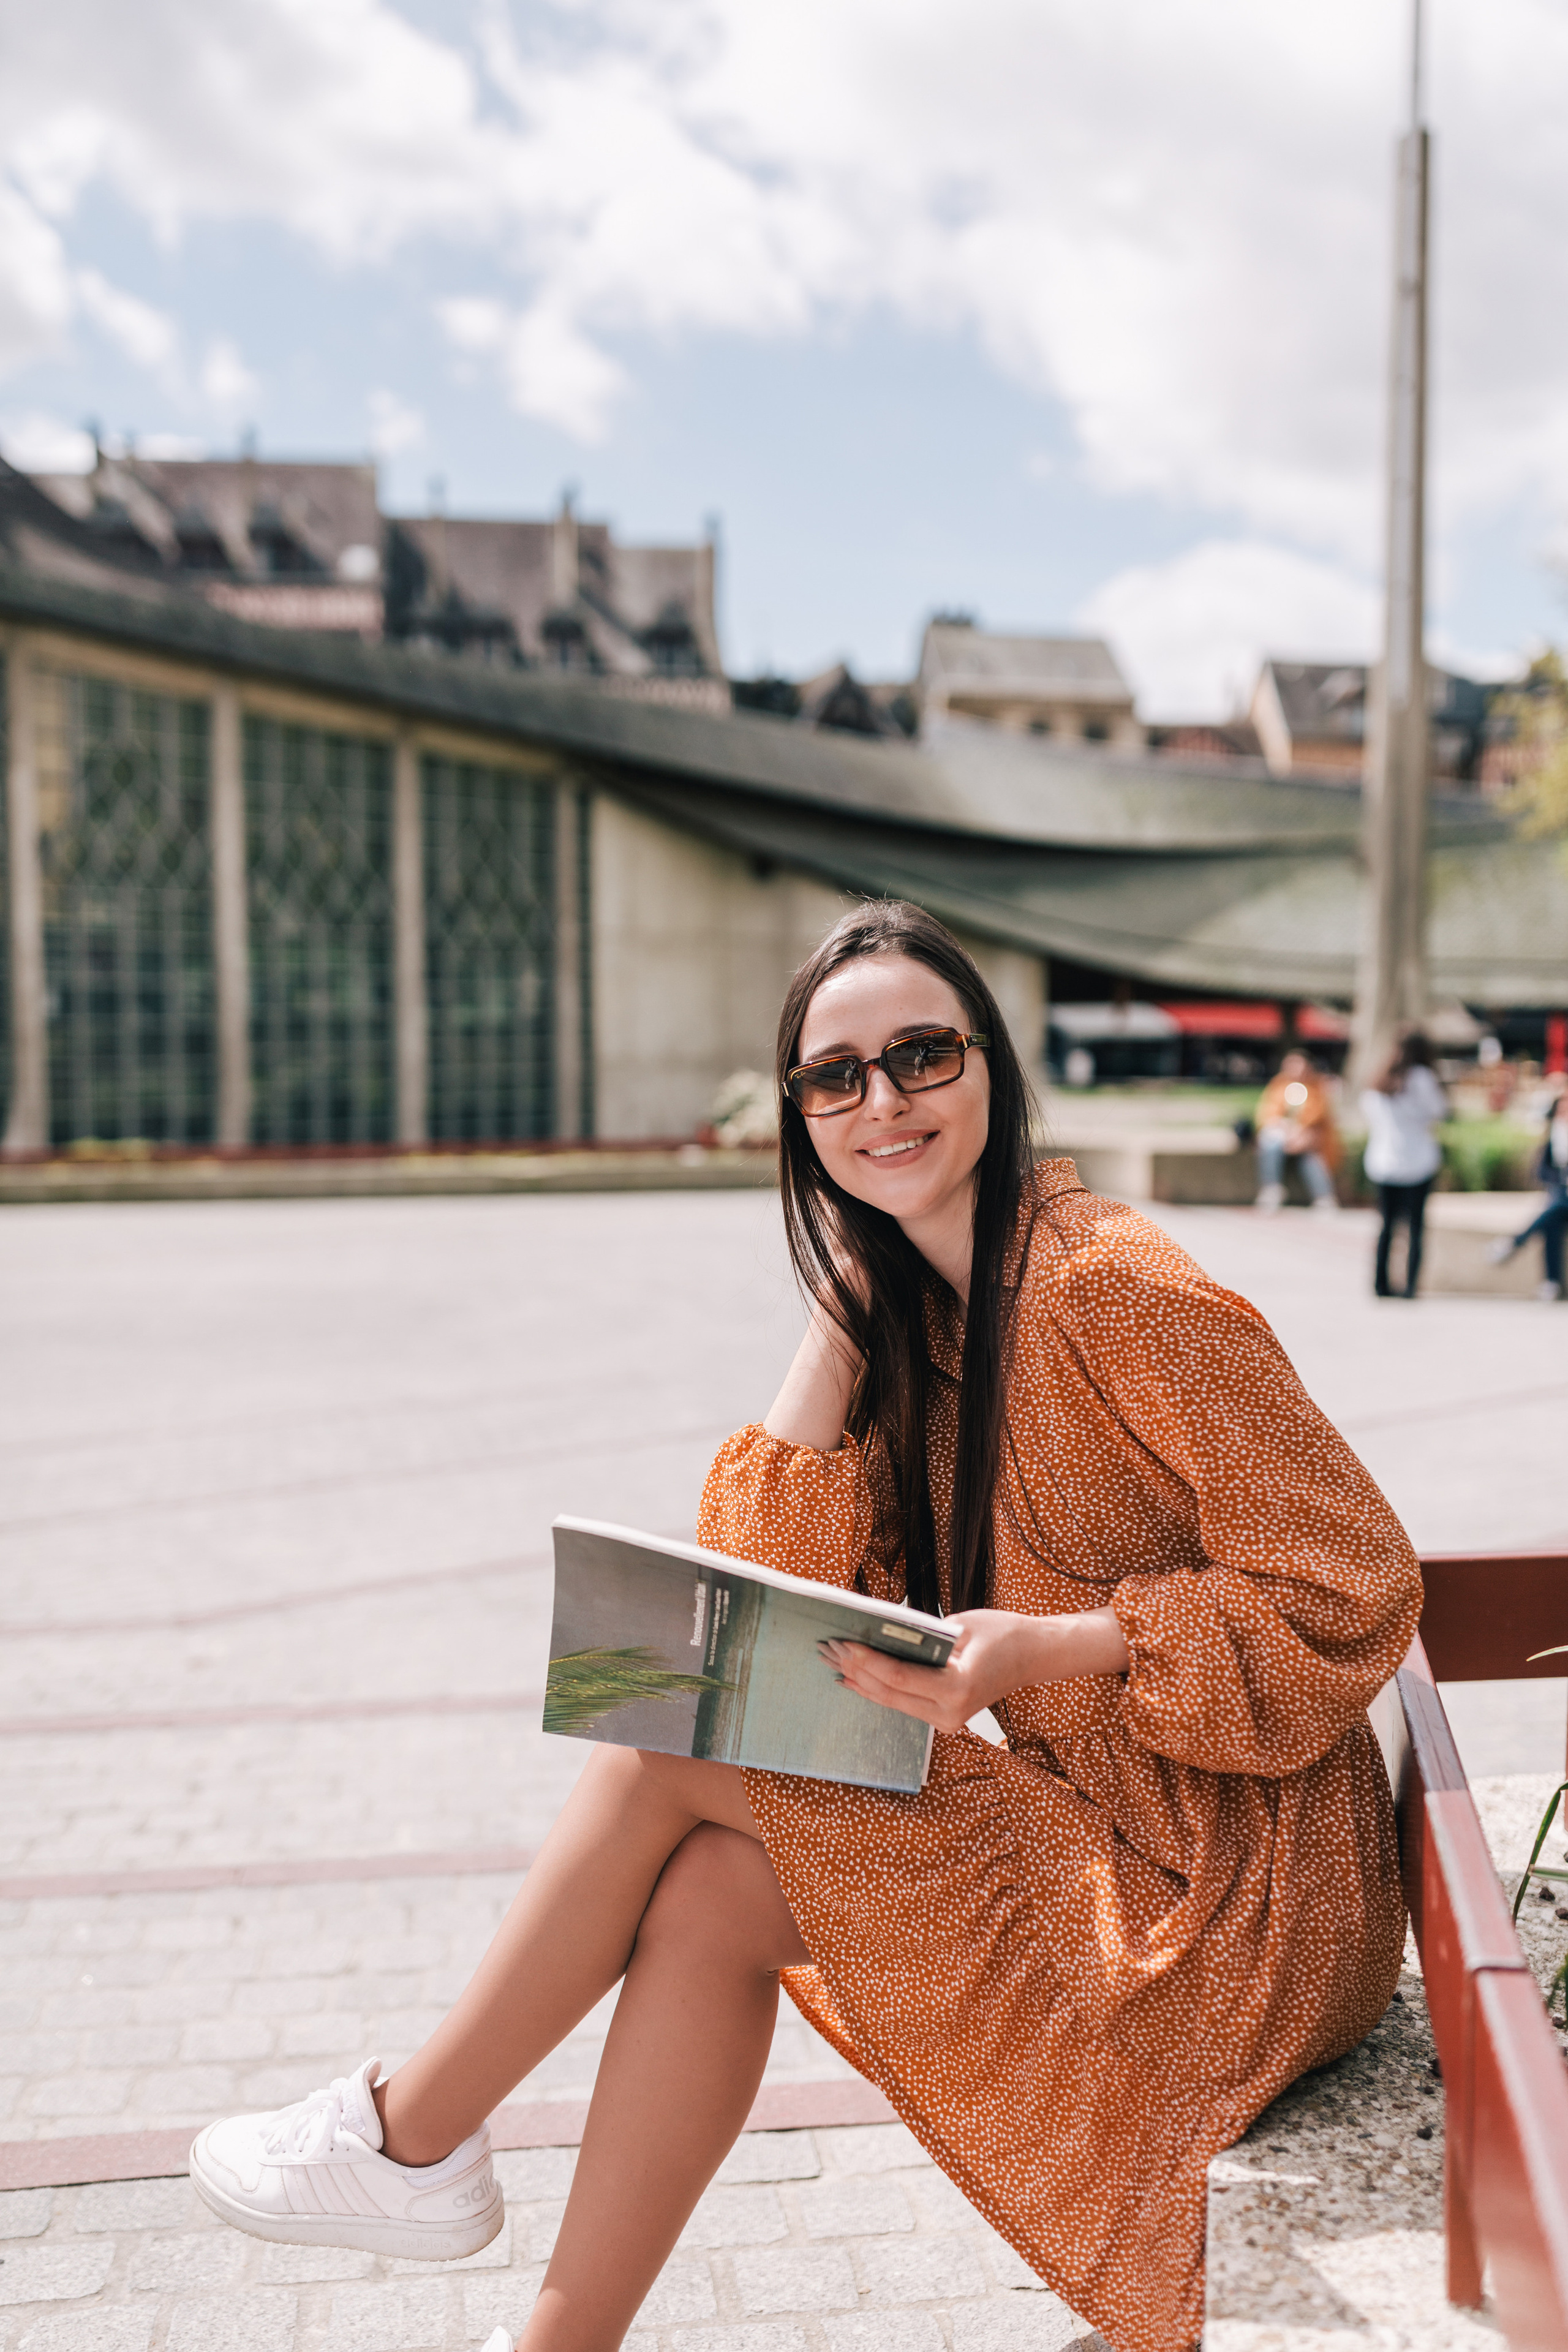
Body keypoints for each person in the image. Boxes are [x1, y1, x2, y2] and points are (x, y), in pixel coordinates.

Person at [187, 902, 1422, 2352]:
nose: (879, 1100)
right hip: (1106, 1832)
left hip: (1236, 1898)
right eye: (833, 1077)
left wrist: (1054, 1645)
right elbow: (747, 1600)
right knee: (706, 1886)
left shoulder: (1109, 1287)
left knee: (658, 1750)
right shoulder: (934, 1318)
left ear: (988, 1068)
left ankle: (408, 2130)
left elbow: (1353, 1581)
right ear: (798, 1115)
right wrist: (840, 1314)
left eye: (917, 1055)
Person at [1360, 1032, 1447, 1298]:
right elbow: (1439, 1111)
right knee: (1415, 1228)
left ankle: (1380, 1284)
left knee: (1387, 1226)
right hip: (1418, 1161)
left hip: (1384, 1161)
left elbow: (1369, 1112)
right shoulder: (1423, 1078)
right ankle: (1410, 1285)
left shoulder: (1379, 1079)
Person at [1488, 1076, 1568, 1301]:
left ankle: (1515, 1243)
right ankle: (1551, 1283)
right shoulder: (1554, 1135)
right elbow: (1544, 1171)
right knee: (1553, 1218)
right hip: (1561, 1192)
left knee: (1553, 1211)